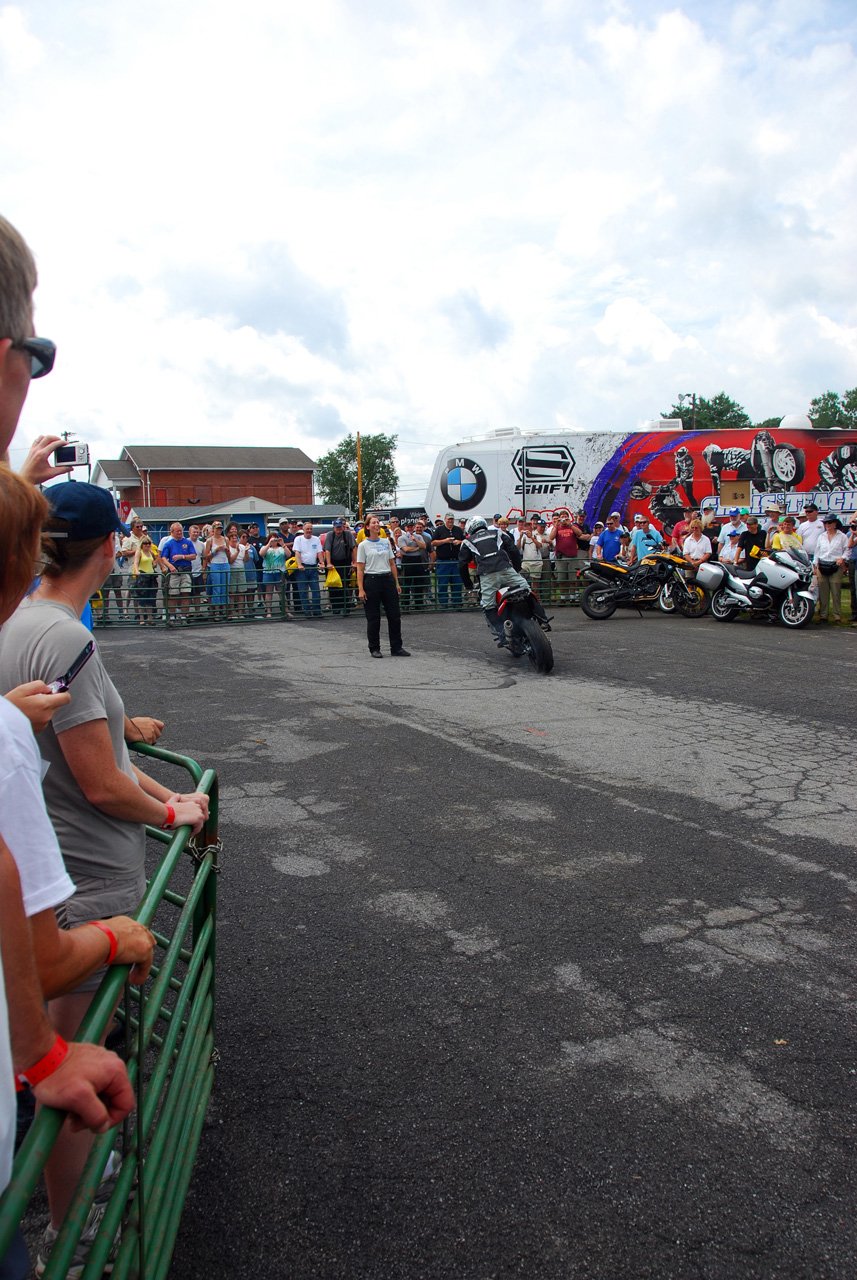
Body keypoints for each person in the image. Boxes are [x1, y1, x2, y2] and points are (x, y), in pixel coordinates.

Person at [0, 481, 208, 1259]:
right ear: (112, 544)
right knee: (77, 1050)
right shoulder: (66, 638)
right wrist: (168, 811)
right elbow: (99, 779)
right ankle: (76, 1223)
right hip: (84, 872)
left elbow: (104, 749)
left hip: (46, 863)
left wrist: (156, 784)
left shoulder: (19, 619)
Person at [458, 517, 548, 648]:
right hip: (506, 570)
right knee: (527, 591)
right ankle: (543, 619)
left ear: (470, 529)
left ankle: (503, 633)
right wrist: (517, 569)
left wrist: (468, 585)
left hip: (487, 575)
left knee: (488, 607)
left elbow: (462, 565)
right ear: (483, 524)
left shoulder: (467, 541)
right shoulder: (498, 533)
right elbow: (513, 550)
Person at [356, 516, 409, 657]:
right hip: (372, 579)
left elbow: (392, 563)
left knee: (394, 615)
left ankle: (396, 647)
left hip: (387, 579)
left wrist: (396, 582)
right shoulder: (363, 545)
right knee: (373, 617)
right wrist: (361, 589)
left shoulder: (386, 542)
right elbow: (360, 568)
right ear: (367, 526)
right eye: (373, 523)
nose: (376, 525)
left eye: (377, 522)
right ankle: (374, 647)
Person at [813, 514, 849, 624]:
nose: (827, 525)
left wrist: (842, 558)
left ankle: (837, 616)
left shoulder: (842, 536)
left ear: (835, 523)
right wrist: (815, 565)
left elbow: (847, 550)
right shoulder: (821, 536)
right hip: (823, 565)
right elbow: (817, 551)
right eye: (825, 523)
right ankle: (823, 615)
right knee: (823, 592)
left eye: (829, 523)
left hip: (835, 565)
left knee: (836, 591)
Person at [159, 522, 196, 625]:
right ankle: (171, 617)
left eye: (181, 531)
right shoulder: (168, 543)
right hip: (174, 571)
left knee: (185, 594)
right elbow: (163, 557)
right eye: (177, 531)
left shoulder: (187, 543)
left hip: (185, 570)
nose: (180, 533)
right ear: (172, 532)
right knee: (172, 595)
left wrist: (182, 556)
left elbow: (193, 556)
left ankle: (184, 616)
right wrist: (169, 566)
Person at [324, 518, 357, 615]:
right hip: (333, 562)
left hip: (344, 561)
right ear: (334, 527)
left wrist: (354, 562)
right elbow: (327, 550)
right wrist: (329, 563)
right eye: (337, 527)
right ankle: (336, 607)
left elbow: (354, 548)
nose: (339, 529)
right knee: (333, 585)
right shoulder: (330, 535)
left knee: (344, 584)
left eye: (340, 527)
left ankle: (346, 606)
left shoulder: (347, 534)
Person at [546, 511, 582, 601]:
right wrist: (556, 525)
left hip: (572, 556)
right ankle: (562, 598)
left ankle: (572, 597)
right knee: (561, 579)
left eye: (565, 517)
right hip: (561, 557)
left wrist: (571, 525)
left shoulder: (573, 526)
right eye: (562, 517)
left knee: (572, 579)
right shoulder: (557, 528)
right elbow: (551, 537)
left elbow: (579, 533)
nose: (564, 519)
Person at [431, 513, 465, 608]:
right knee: (442, 583)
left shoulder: (458, 529)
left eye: (452, 519)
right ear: (445, 519)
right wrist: (445, 541)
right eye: (449, 519)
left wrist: (459, 542)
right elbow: (433, 542)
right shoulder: (439, 530)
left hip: (456, 561)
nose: (450, 521)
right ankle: (443, 602)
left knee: (457, 582)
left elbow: (465, 541)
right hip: (443, 561)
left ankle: (457, 602)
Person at [292, 521, 323, 617]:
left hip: (313, 567)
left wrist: (321, 563)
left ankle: (317, 610)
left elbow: (320, 552)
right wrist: (299, 564)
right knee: (303, 590)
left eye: (310, 529)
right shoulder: (298, 539)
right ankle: (306, 610)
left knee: (316, 590)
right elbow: (297, 552)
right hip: (303, 568)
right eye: (307, 529)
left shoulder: (316, 539)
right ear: (303, 530)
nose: (309, 531)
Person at [132, 534, 162, 626]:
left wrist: (154, 563)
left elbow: (157, 557)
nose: (147, 545)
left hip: (151, 575)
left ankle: (150, 618)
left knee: (150, 598)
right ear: (141, 544)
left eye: (149, 543)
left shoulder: (151, 552)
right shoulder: (139, 552)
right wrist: (136, 571)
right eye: (145, 543)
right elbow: (136, 563)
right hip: (142, 576)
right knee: (142, 598)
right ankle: (142, 619)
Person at [203, 521, 230, 621]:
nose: (219, 530)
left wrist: (227, 550)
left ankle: (225, 610)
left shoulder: (226, 539)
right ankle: (217, 611)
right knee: (216, 588)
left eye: (220, 528)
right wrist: (216, 550)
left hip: (225, 563)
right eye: (217, 528)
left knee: (225, 587)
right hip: (215, 564)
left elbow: (229, 554)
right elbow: (206, 556)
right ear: (213, 529)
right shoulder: (210, 540)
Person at [259, 529, 288, 617]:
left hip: (280, 572)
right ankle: (268, 611)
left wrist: (283, 544)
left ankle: (286, 610)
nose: (274, 541)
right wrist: (269, 544)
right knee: (269, 592)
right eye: (272, 539)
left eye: (275, 539)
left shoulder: (281, 548)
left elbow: (289, 554)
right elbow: (261, 554)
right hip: (268, 572)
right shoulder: (266, 548)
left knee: (281, 592)